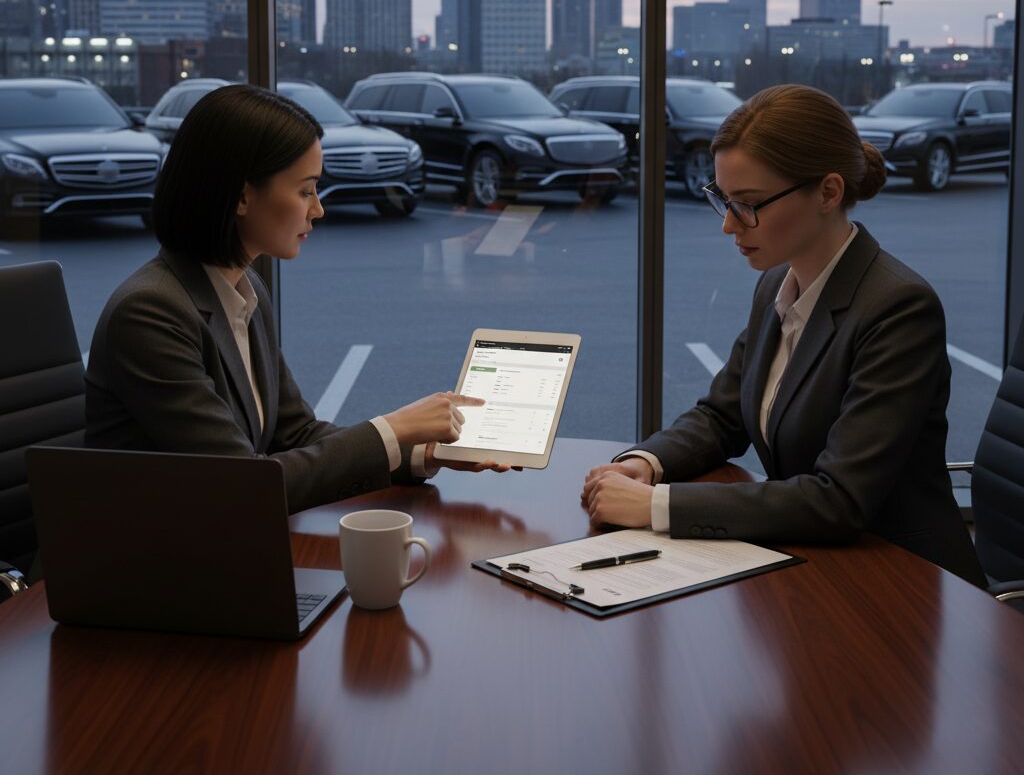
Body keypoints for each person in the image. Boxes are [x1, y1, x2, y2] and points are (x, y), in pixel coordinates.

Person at [581, 84, 985, 585]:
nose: (730, 225)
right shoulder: (780, 281)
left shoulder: (898, 308)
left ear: (829, 192)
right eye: (723, 200)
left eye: (748, 204)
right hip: (815, 565)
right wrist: (647, 463)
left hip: (899, 581)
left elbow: (838, 499)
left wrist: (655, 505)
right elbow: (721, 415)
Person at [86, 84, 509, 514]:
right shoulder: (150, 314)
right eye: (306, 190)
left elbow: (295, 435)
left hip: (216, 545)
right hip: (143, 565)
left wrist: (420, 451)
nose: (318, 210)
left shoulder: (245, 290)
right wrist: (392, 428)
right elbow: (243, 483)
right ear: (241, 195)